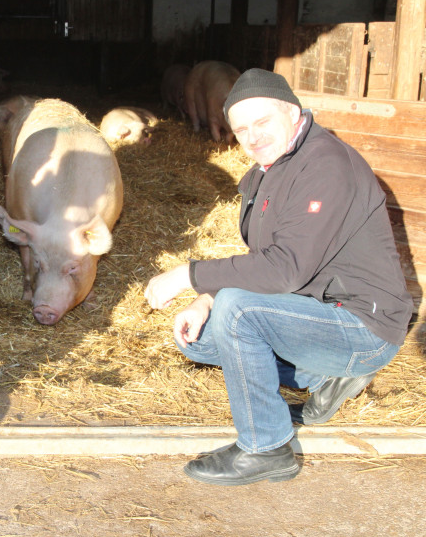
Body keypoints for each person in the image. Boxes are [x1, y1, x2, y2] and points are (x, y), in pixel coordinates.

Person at [145, 68, 413, 486]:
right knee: (197, 338)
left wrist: (189, 275)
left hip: (361, 325)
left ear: (292, 111)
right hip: (314, 311)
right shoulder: (268, 171)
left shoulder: (326, 165)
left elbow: (284, 268)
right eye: (241, 129)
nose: (252, 137)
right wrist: (205, 300)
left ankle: (265, 447)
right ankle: (322, 377)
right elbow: (263, 262)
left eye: (263, 122)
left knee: (238, 313)